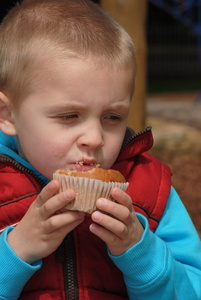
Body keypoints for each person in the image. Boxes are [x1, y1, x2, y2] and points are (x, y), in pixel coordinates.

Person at [0, 0, 200, 299]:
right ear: (7, 115)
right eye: (69, 116)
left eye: (113, 117)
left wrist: (142, 253)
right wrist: (16, 250)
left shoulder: (152, 190)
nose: (94, 138)